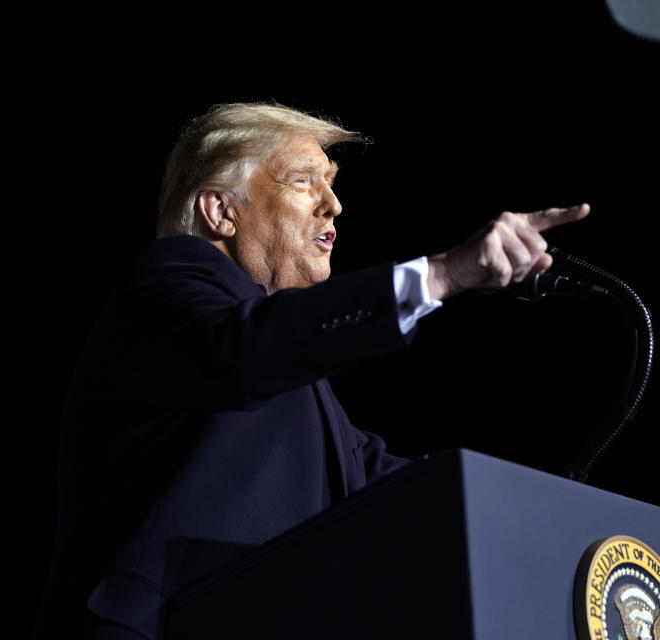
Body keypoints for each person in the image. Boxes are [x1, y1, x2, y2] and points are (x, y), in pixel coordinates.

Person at [37, 103, 590, 639]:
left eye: (331, 183)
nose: (334, 205)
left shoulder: (286, 365)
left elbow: (370, 475)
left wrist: (517, 502)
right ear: (220, 212)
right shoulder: (169, 284)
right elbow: (250, 347)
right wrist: (441, 276)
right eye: (304, 181)